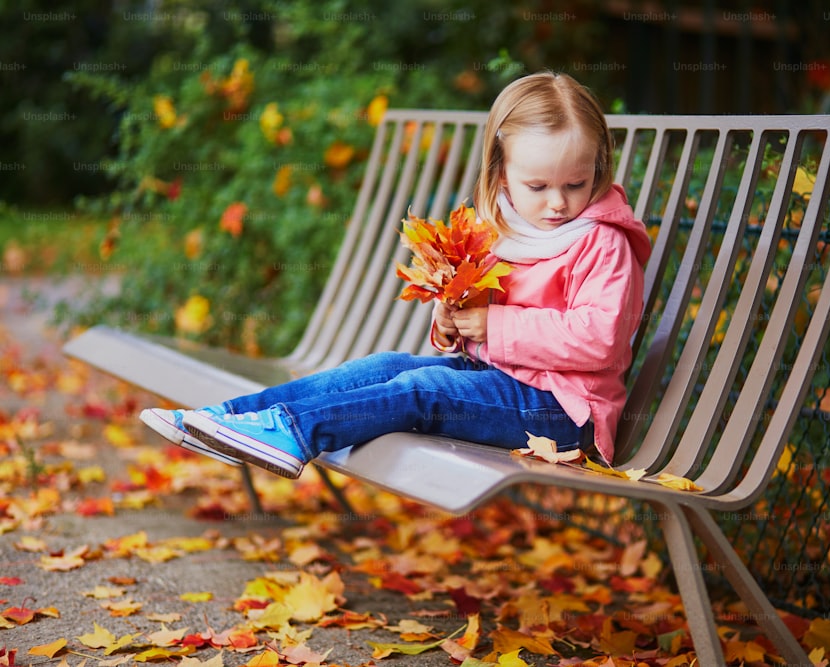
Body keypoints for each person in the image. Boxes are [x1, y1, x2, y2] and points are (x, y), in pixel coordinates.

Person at [140, 71, 652, 479]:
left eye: (576, 183)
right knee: (384, 366)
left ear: (597, 170)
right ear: (501, 176)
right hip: (500, 382)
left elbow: (601, 339)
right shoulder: (501, 227)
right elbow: (473, 318)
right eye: (538, 185)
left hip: (562, 412)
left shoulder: (601, 241)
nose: (558, 202)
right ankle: (228, 418)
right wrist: (451, 322)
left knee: (421, 390)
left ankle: (292, 434)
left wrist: (492, 327)